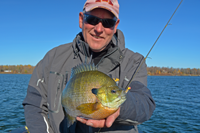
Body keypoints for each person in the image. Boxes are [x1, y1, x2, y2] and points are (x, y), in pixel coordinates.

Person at [23, 0, 156, 133]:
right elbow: (34, 104)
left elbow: (145, 105)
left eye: (108, 23)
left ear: (116, 25)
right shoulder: (52, 58)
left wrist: (120, 107)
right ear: (81, 19)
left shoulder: (134, 61)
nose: (99, 29)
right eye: (92, 19)